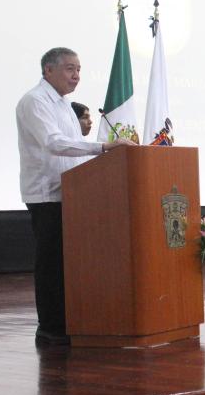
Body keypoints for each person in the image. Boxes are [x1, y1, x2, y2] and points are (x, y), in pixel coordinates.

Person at [17, 47, 135, 345]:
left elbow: (72, 149)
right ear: (48, 70)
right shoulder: (35, 101)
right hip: (47, 194)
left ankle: (72, 321)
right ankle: (51, 327)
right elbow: (54, 144)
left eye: (79, 69)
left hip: (73, 194)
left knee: (71, 262)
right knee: (52, 262)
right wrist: (103, 147)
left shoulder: (63, 104)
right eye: (70, 69)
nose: (77, 75)